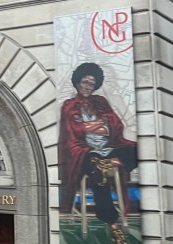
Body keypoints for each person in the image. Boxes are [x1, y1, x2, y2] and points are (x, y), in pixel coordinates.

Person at [58, 62, 138, 234]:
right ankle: (112, 223)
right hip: (83, 151)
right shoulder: (69, 105)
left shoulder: (100, 102)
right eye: (85, 82)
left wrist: (90, 126)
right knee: (96, 170)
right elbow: (76, 130)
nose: (87, 86)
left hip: (107, 148)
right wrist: (99, 124)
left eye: (91, 84)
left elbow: (115, 125)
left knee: (136, 149)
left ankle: (110, 163)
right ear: (78, 82)